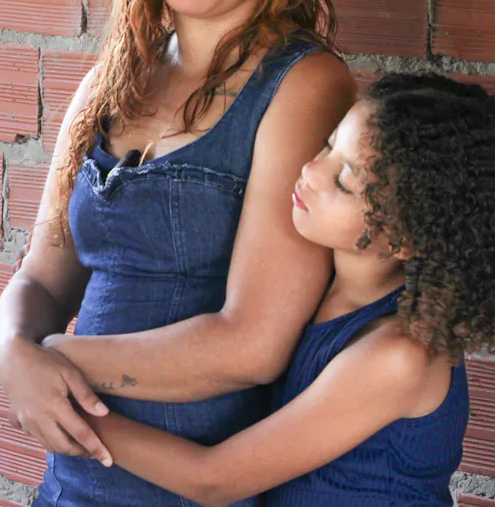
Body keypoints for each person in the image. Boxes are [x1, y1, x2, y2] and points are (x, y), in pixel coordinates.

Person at [0, 0, 357, 506]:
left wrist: (54, 358)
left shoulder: (305, 84)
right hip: (73, 483)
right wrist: (12, 348)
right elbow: (43, 273)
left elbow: (251, 344)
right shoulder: (111, 79)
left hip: (191, 487)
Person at [44, 73, 493, 507]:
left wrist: (60, 399)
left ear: (406, 238)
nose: (312, 170)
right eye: (329, 143)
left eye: (343, 183)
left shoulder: (399, 356)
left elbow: (214, 480)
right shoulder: (320, 293)